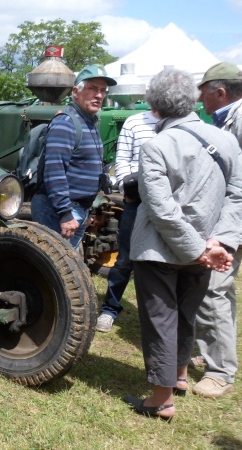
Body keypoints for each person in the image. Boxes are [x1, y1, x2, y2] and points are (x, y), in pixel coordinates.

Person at [123, 68, 242, 421]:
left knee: (162, 317)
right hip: (207, 247)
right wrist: (217, 242)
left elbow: (161, 209)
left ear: (154, 108)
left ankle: (161, 400)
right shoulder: (226, 140)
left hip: (160, 250)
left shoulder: (156, 146)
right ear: (192, 99)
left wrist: (201, 247)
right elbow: (237, 197)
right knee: (187, 312)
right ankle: (179, 377)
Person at [191, 62, 242, 398]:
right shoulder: (228, 119)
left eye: (203, 93)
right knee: (224, 289)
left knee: (212, 287)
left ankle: (220, 371)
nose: (200, 100)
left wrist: (225, 233)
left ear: (219, 92)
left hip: (233, 219)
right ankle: (216, 351)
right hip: (231, 216)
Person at [31, 65, 116, 249]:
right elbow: (54, 171)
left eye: (103, 91)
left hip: (78, 209)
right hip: (59, 211)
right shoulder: (66, 123)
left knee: (69, 270)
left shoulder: (90, 122)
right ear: (76, 92)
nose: (99, 95)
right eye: (93, 88)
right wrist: (65, 213)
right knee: (59, 272)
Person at [96, 111, 158, 332]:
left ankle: (157, 315)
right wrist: (126, 187)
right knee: (124, 259)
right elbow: (121, 159)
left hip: (169, 201)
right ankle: (109, 309)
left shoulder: (178, 122)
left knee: (161, 262)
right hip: (137, 200)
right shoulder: (134, 122)